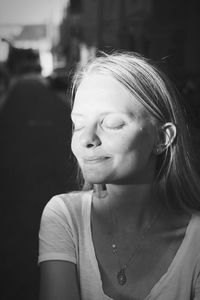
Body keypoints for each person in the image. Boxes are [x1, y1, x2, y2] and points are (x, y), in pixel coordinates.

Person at [38, 51, 200, 300]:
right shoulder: (65, 216)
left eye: (112, 123)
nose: (86, 139)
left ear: (162, 138)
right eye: (78, 124)